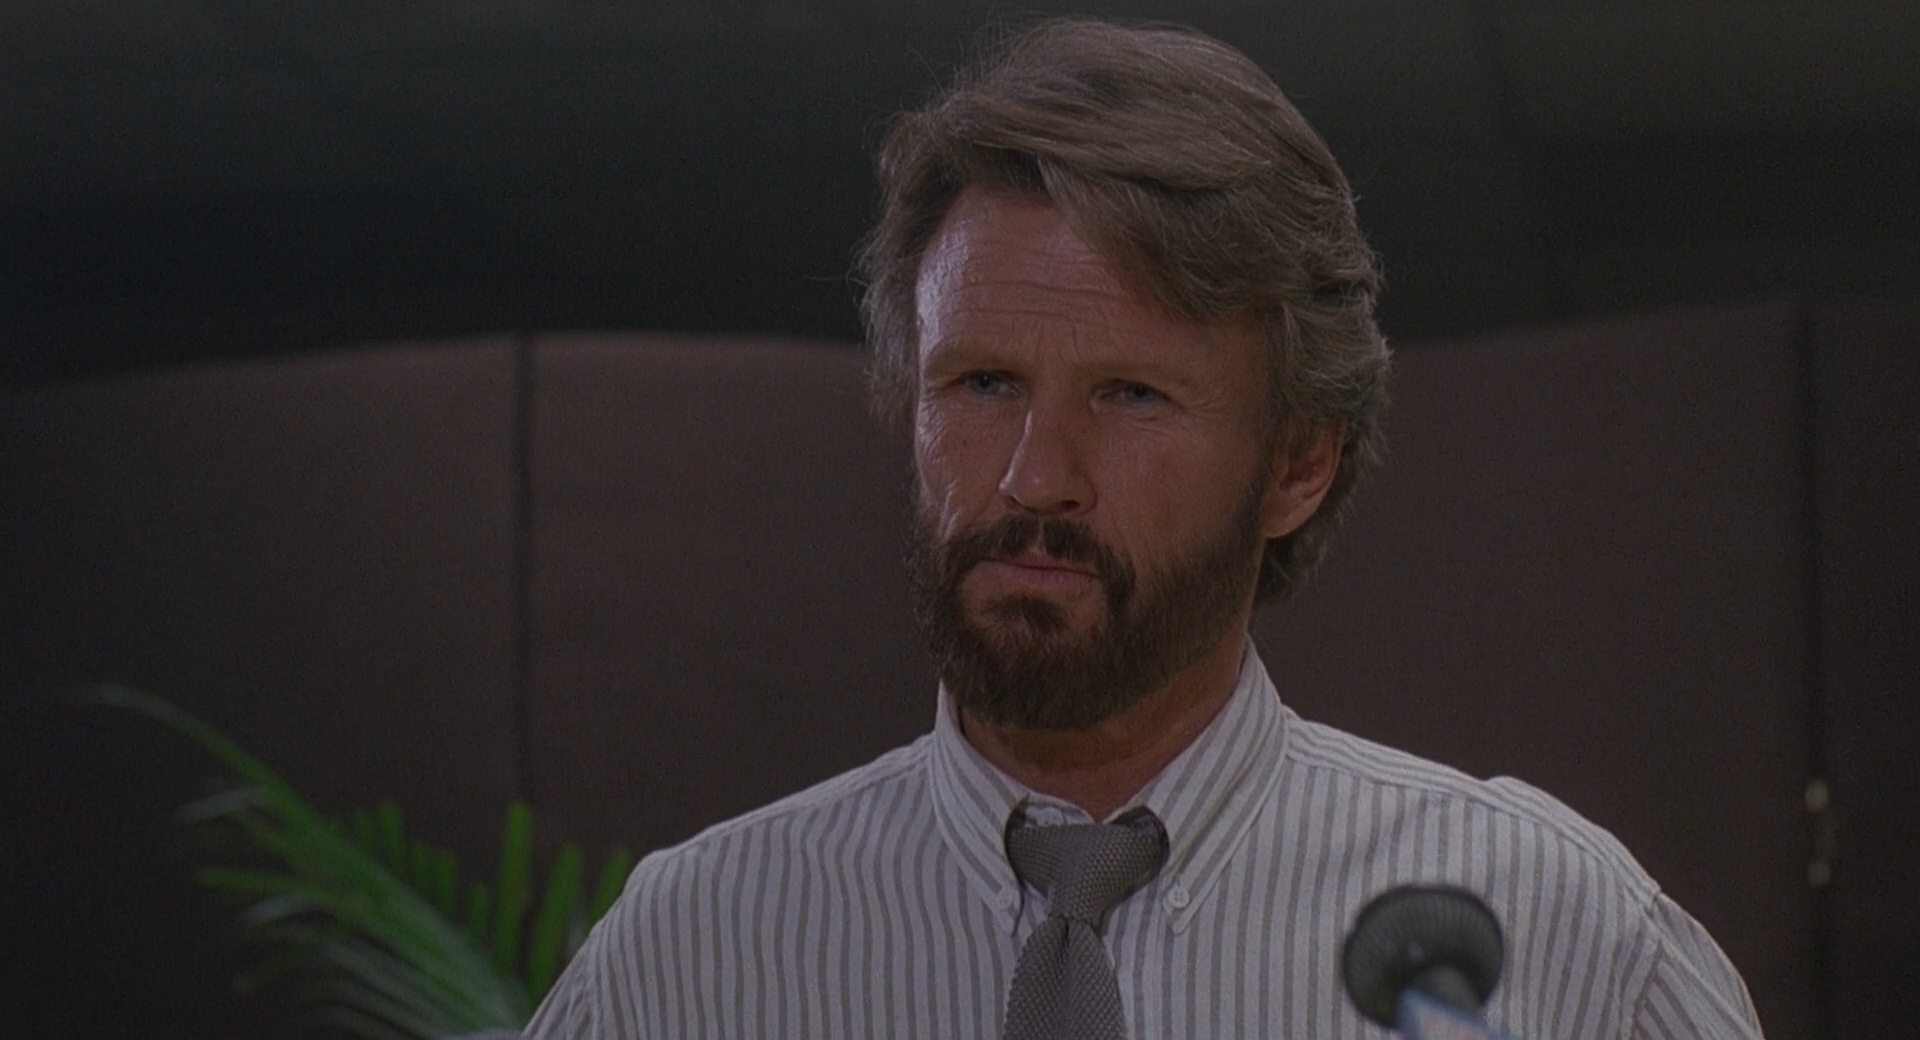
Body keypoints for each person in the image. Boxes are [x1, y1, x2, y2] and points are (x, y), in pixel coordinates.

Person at [524, 17, 1764, 1039]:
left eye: (1129, 395)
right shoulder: (689, 955)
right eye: (981, 383)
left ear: (1299, 464)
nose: (1034, 477)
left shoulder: (1557, 941)